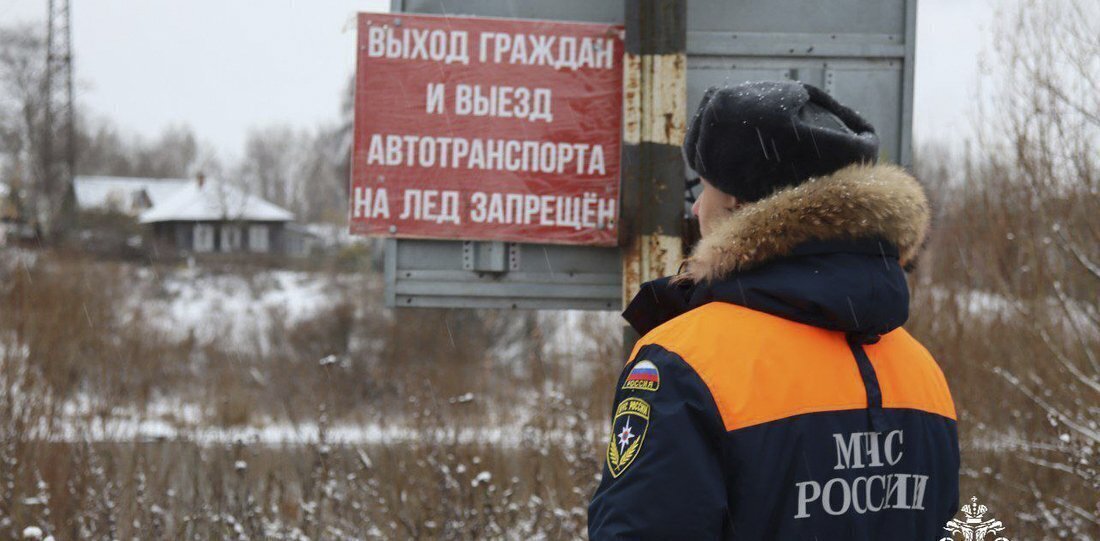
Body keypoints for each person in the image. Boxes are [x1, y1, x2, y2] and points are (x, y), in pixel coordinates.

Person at [588, 81, 960, 540]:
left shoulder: (684, 363)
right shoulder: (920, 370)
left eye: (703, 187)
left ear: (735, 204)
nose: (697, 206)